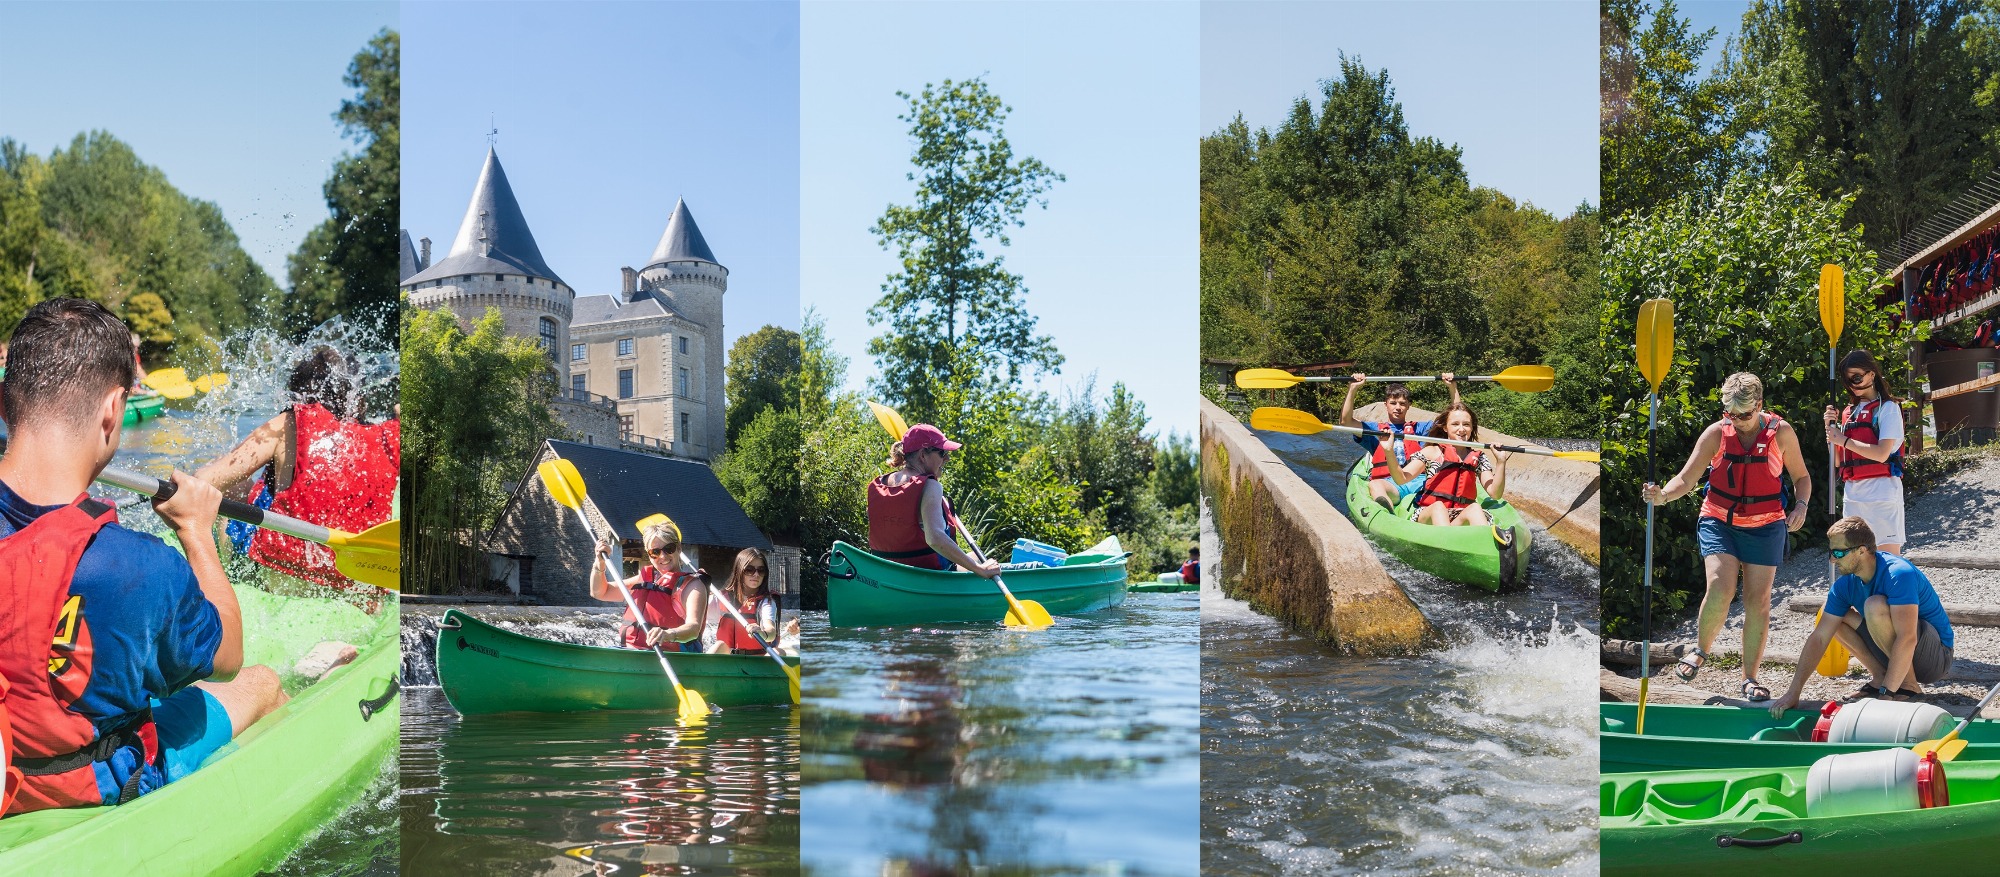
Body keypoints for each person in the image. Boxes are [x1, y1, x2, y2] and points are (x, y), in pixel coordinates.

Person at [0, 298, 285, 815]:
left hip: (9, 760)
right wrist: (196, 530)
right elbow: (227, 657)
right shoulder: (142, 566)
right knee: (261, 682)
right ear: (114, 410)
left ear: (3, 403)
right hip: (84, 784)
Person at [1644, 372, 1812, 702]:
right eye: (1731, 414)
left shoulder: (1782, 433)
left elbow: (1802, 477)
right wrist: (1662, 495)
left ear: (1760, 406)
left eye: (1745, 415)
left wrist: (1801, 506)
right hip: (1719, 520)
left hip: (1766, 526)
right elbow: (1686, 478)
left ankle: (1749, 678)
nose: (1737, 421)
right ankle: (1700, 650)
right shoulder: (1717, 434)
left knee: (1757, 602)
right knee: (1721, 587)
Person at [195, 346, 398, 589]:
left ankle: (224, 581)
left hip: (284, 573)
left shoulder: (289, 422)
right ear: (357, 395)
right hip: (358, 582)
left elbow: (205, 480)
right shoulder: (389, 436)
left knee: (228, 487)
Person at [1770, 517, 1955, 714]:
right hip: (1897, 654)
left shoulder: (1899, 574)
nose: (1833, 559)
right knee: (1832, 615)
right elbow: (1820, 637)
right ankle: (1880, 676)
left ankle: (1909, 687)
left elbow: (1908, 637)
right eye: (1830, 552)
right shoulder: (1845, 585)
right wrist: (1794, 692)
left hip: (1935, 658)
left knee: (1875, 605)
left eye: (1839, 552)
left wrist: (1885, 697)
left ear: (1862, 550)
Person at [865, 424, 1000, 578]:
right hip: (930, 576)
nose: (947, 458)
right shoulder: (930, 485)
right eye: (942, 453)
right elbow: (935, 538)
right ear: (923, 455)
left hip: (887, 573)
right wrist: (980, 569)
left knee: (975, 555)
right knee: (994, 564)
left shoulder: (878, 485)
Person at [1823, 349, 1907, 554]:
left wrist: (1843, 439)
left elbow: (1881, 454)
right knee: (1856, 560)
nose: (1852, 384)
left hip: (1882, 495)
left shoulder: (1888, 408)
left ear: (1872, 374)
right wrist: (1829, 428)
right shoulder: (1849, 413)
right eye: (1848, 379)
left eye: (1857, 377)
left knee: (1887, 560)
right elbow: (1837, 461)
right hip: (1853, 496)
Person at [1339, 373, 1460, 510]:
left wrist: (1452, 388)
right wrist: (1353, 388)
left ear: (1409, 406)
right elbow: (1346, 421)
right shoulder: (1374, 429)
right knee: (1375, 485)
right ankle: (1387, 514)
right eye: (1393, 403)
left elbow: (1454, 418)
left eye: (1402, 403)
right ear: (1386, 405)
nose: (1398, 407)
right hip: (1389, 484)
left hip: (1418, 481)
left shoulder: (1421, 429)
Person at [1385, 402, 1509, 527]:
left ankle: (1482, 542)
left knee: (1475, 508)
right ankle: (1445, 542)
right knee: (1439, 507)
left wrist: (1501, 461)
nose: (1461, 429)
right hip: (1429, 513)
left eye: (1466, 424)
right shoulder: (1432, 452)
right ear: (1445, 428)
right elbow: (1401, 479)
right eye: (1455, 424)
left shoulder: (1479, 458)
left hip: (1458, 515)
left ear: (1472, 428)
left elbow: (1495, 493)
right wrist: (1388, 450)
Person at [596, 519, 710, 652]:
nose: (662, 556)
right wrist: (599, 564)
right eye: (655, 552)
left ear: (679, 548)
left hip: (669, 656)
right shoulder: (643, 580)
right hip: (630, 651)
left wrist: (669, 635)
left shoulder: (693, 585)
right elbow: (600, 592)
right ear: (649, 554)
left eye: (669, 549)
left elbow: (693, 628)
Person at [710, 548, 778, 655]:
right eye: (749, 570)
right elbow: (692, 616)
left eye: (761, 570)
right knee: (719, 645)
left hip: (756, 661)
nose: (756, 575)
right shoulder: (721, 597)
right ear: (739, 570)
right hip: (727, 661)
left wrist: (762, 634)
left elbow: (771, 631)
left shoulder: (766, 602)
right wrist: (700, 587)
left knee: (778, 652)